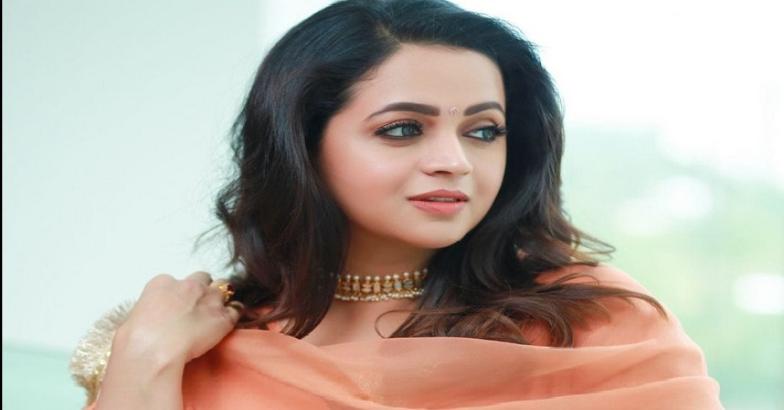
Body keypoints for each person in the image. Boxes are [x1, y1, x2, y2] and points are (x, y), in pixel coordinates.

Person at [70, 0, 723, 408]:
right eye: (404, 128)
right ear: (302, 144)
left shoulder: (596, 326)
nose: (454, 160)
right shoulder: (202, 343)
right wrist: (144, 360)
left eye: (483, 130)